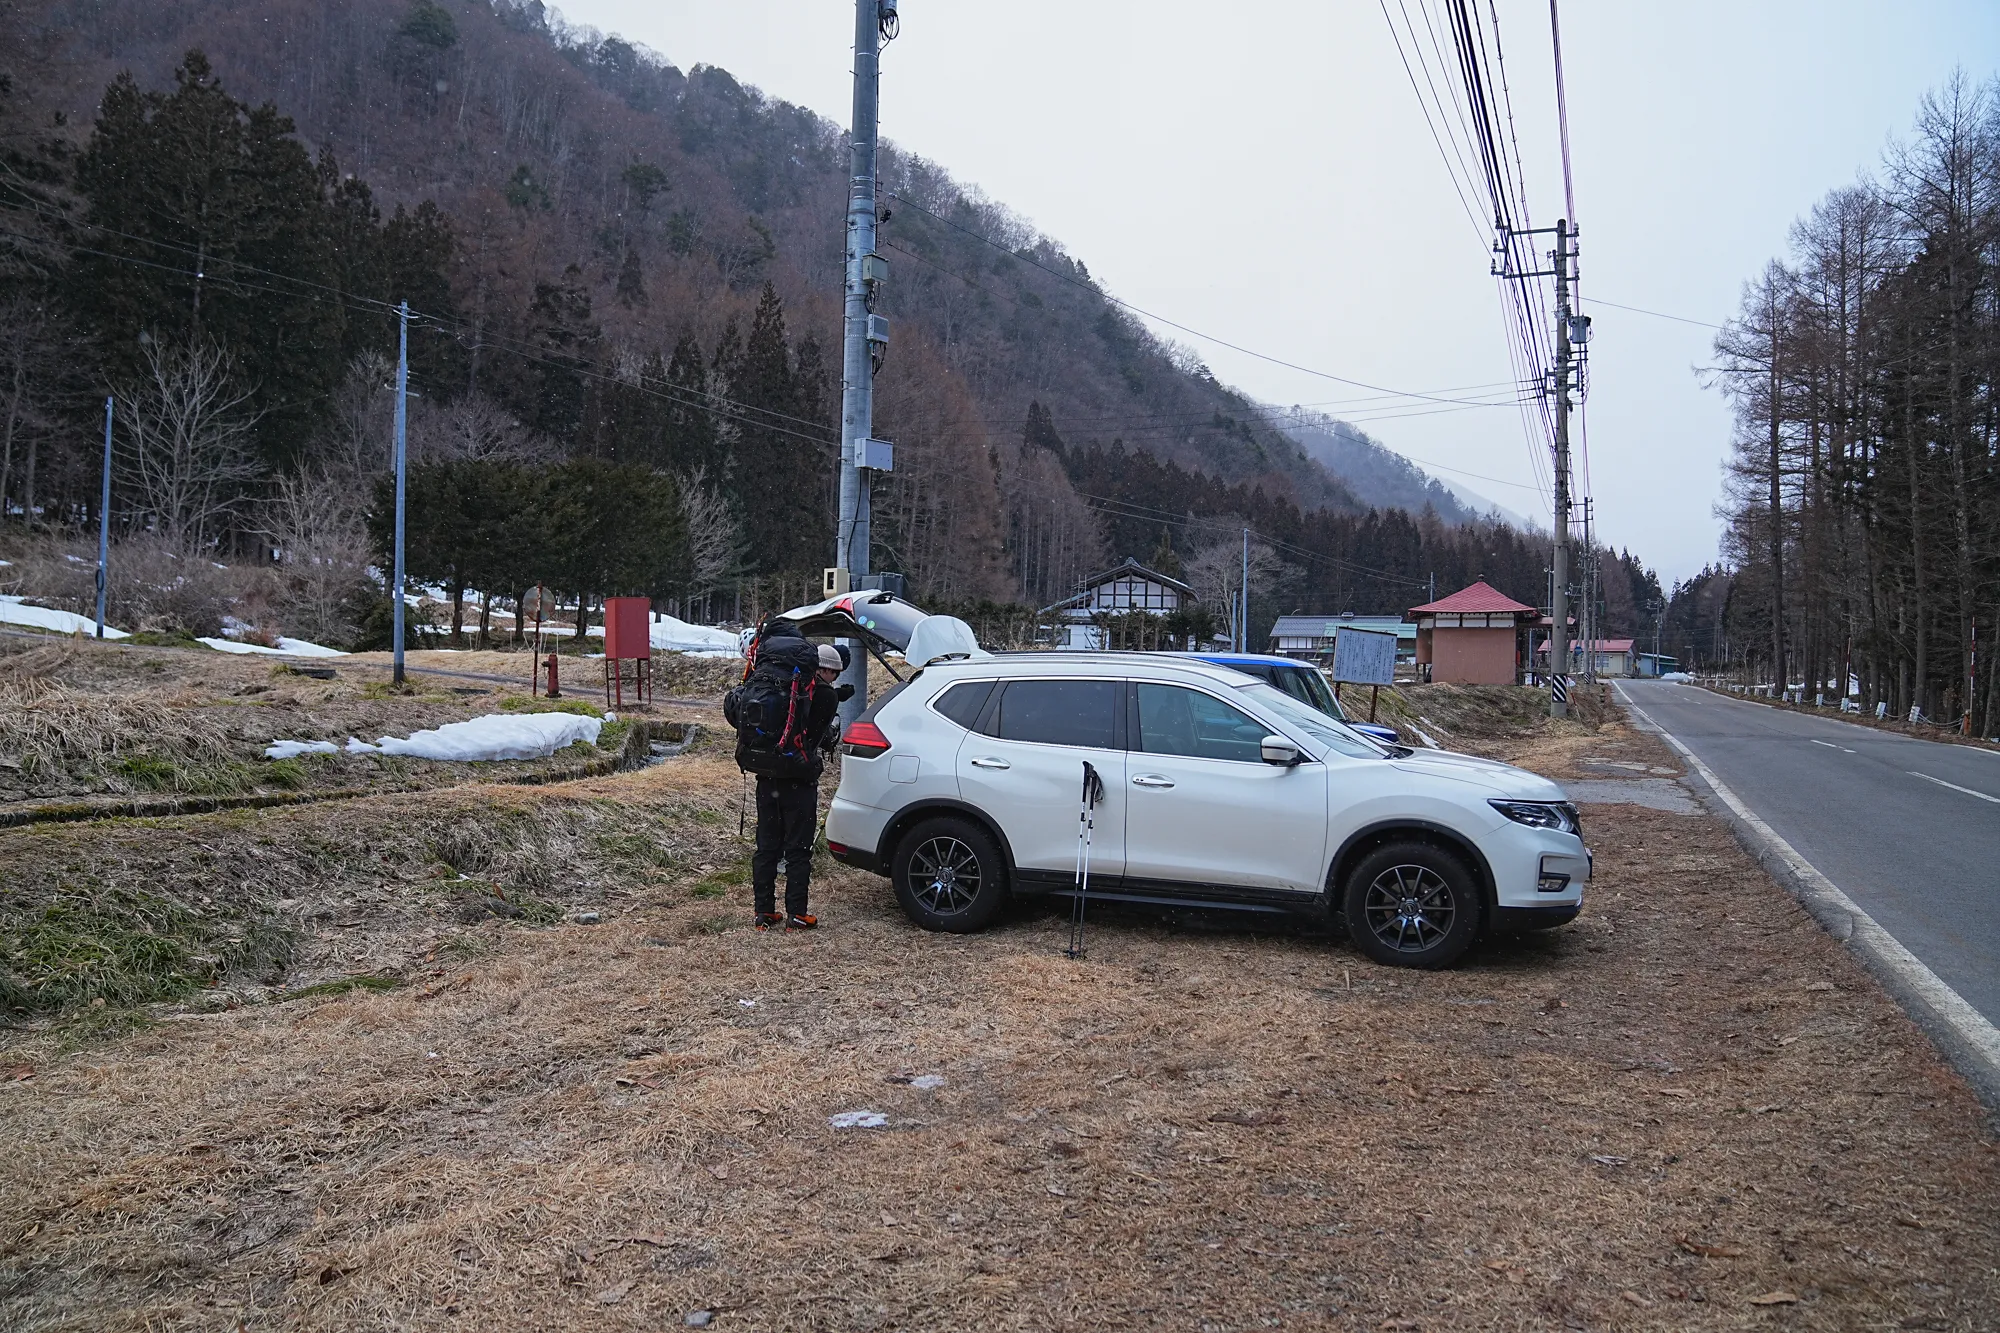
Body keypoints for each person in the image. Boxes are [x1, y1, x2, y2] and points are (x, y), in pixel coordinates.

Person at [728, 631, 850, 931]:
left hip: (766, 774)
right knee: (798, 848)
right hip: (798, 779)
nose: (834, 679)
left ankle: (763, 912)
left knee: (766, 846)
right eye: (833, 673)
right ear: (823, 669)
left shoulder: (771, 685)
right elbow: (817, 738)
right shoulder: (825, 695)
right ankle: (797, 913)